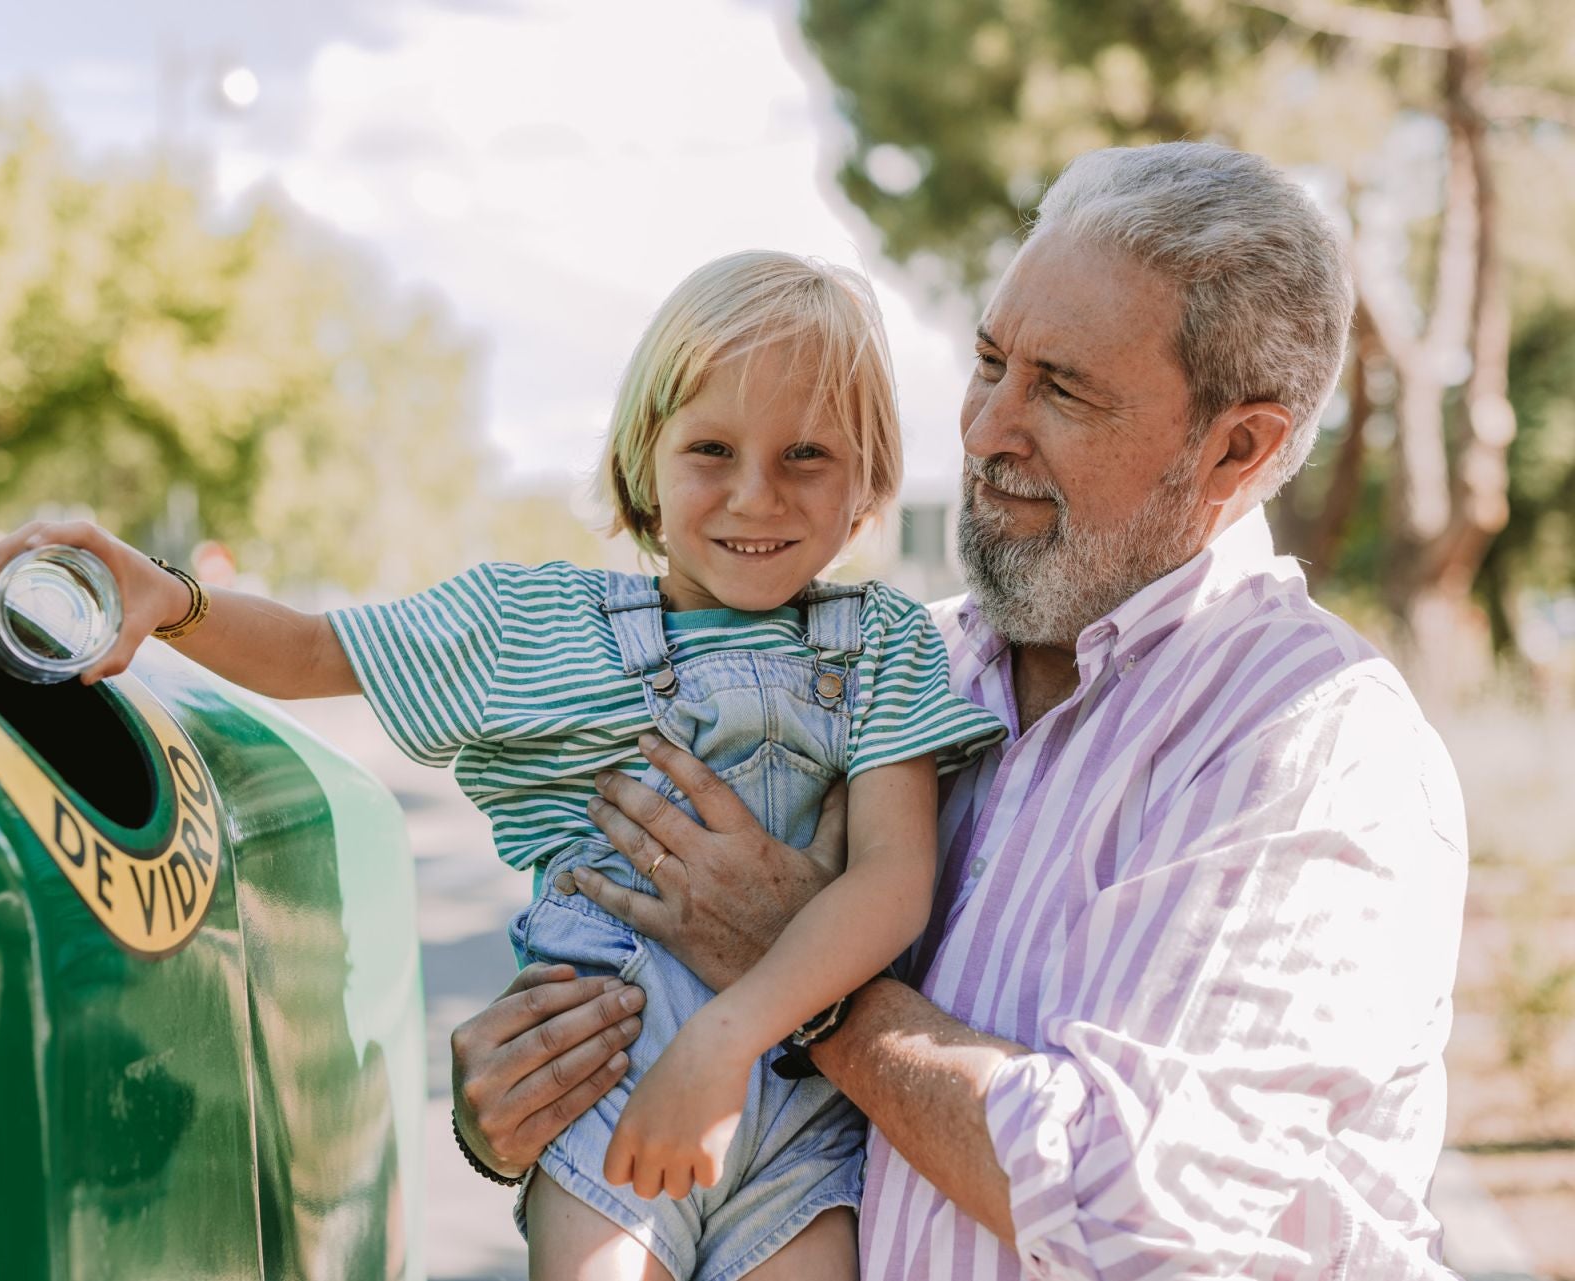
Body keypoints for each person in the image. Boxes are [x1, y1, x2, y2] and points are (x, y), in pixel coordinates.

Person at [450, 142, 1470, 1279]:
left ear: (1237, 448)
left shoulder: (1314, 749)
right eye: (991, 362)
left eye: (1063, 389)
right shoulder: (894, 670)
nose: (987, 429)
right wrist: (529, 1101)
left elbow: (1141, 1215)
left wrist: (805, 997)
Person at [0, 250, 1005, 1280]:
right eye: (711, 448)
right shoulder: (532, 626)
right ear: (641, 457)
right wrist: (171, 602)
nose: (753, 495)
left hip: (802, 1128)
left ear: (869, 476)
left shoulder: (883, 644)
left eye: (807, 456)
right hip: (597, 1085)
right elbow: (311, 651)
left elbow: (891, 880)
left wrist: (725, 1039)